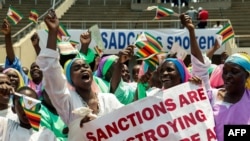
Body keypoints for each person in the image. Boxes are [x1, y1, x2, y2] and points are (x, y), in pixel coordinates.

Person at [36, 9, 124, 141]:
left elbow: (128, 121)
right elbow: (51, 72)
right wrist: (53, 32)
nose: (83, 69)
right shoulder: (67, 101)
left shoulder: (109, 99)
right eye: (77, 68)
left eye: (86, 66)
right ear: (70, 78)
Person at [1, 19, 43, 98]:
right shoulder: (25, 82)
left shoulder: (48, 82)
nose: (35, 69)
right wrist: (7, 35)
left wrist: (37, 47)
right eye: (32, 67)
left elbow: (46, 64)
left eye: (38, 67)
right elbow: (13, 62)